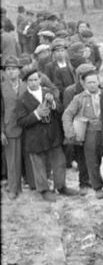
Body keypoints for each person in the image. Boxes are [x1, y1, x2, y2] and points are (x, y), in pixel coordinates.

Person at [16, 67, 77, 201]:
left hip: (53, 134)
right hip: (35, 138)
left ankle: (61, 186)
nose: (33, 82)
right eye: (30, 80)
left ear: (40, 79)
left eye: (36, 79)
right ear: (26, 83)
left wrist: (54, 104)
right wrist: (37, 114)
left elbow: (61, 109)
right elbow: (20, 121)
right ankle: (43, 190)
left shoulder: (48, 93)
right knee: (39, 165)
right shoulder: (22, 99)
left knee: (59, 162)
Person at [62, 68, 103, 199]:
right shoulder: (79, 98)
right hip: (90, 132)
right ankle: (97, 187)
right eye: (89, 83)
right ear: (83, 84)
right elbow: (67, 114)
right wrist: (70, 131)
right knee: (92, 160)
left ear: (99, 81)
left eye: (94, 81)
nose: (92, 85)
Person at [1, 56, 24, 199]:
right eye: (8, 69)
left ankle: (28, 185)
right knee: (12, 160)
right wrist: (1, 131)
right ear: (4, 72)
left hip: (27, 127)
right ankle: (13, 188)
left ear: (19, 71)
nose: (11, 72)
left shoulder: (26, 85)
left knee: (27, 157)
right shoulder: (2, 87)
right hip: (10, 128)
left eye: (14, 69)